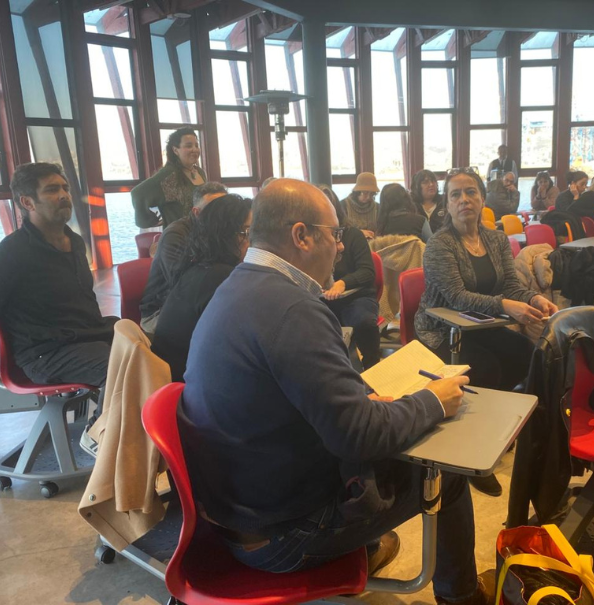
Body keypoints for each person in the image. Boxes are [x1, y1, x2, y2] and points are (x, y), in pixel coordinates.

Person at [178, 179, 495, 605]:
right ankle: (463, 598)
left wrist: (360, 404)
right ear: (301, 236)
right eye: (335, 233)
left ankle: (365, 546)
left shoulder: (238, 286)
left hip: (236, 512)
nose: (341, 246)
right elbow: (358, 436)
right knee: (448, 475)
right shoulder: (293, 309)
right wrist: (433, 401)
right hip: (281, 535)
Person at [414, 167, 558, 496]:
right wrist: (505, 305)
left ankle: (487, 422)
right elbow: (457, 297)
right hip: (441, 330)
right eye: (455, 194)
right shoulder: (439, 245)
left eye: (471, 192)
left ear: (482, 198)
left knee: (526, 354)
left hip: (481, 326)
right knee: (486, 369)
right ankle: (470, 453)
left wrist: (533, 297)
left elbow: (511, 285)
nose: (464, 199)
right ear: (447, 205)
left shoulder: (495, 239)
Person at [0, 162, 118, 457]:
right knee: (123, 367)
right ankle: (98, 435)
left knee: (161, 348)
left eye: (65, 188)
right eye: (51, 190)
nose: (63, 195)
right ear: (27, 202)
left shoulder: (74, 242)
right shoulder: (11, 254)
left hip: (86, 337)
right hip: (46, 352)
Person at [151, 194, 252, 382]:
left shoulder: (200, 266)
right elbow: (243, 342)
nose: (252, 241)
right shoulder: (221, 277)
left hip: (170, 376)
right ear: (224, 234)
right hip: (186, 385)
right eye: (246, 232)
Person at [139, 182, 228, 334]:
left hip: (201, 304)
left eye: (224, 209)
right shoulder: (176, 235)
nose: (220, 214)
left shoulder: (221, 232)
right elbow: (183, 286)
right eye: (213, 209)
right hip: (160, 312)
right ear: (197, 212)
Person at [319, 185, 381, 369]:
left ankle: (372, 367)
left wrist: (343, 283)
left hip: (356, 296)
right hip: (322, 298)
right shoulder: (310, 239)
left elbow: (367, 272)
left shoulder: (352, 235)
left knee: (364, 322)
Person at [132, 128, 207, 228]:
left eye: (196, 146)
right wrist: (149, 220)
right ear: (175, 150)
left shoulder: (200, 172)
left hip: (203, 232)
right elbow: (138, 193)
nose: (195, 149)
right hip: (179, 235)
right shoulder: (169, 175)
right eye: (189, 146)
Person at [342, 172, 380, 239]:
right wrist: (359, 233)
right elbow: (340, 230)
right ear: (357, 192)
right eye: (365, 193)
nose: (368, 197)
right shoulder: (343, 206)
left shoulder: (377, 208)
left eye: (372, 194)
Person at [411, 169, 447, 233]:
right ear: (417, 186)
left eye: (433, 181)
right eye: (425, 182)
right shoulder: (411, 205)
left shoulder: (445, 202)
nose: (431, 184)